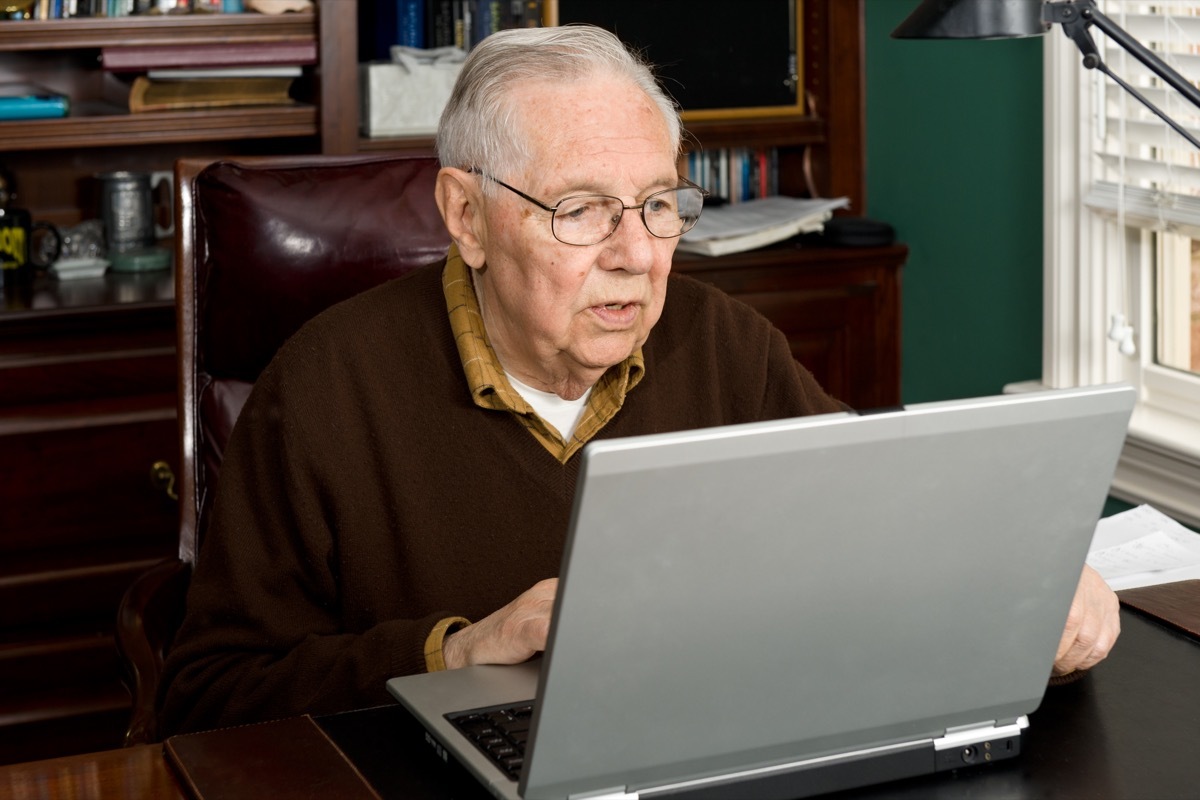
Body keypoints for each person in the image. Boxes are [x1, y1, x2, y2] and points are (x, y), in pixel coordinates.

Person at [158, 25, 1119, 736]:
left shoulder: (724, 345)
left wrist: (1033, 582)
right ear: (467, 216)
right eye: (581, 210)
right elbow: (208, 697)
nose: (637, 255)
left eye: (659, 205)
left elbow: (882, 528)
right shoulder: (325, 388)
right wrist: (455, 654)